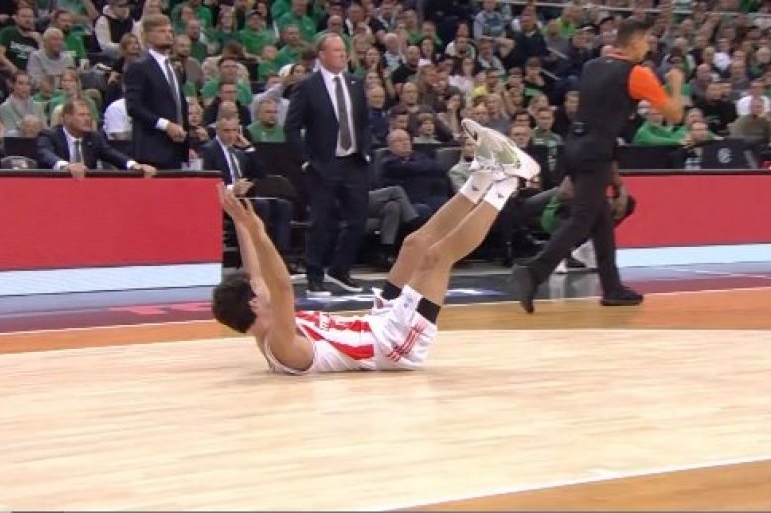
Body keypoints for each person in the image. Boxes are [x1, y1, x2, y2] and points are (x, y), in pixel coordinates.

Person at [211, 119, 538, 375]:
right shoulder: (280, 344)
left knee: (413, 245)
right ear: (254, 304)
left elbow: (257, 273)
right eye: (257, 289)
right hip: (395, 345)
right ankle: (511, 180)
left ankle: (483, 177)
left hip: (378, 322)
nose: (261, 284)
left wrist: (242, 222)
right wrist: (259, 232)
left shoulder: (264, 322)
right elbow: (282, 287)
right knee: (436, 257)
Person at [510, 17, 685, 313]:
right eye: (646, 41)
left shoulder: (592, 66)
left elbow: (594, 114)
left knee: (601, 218)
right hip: (596, 152)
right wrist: (676, 86)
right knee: (583, 219)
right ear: (634, 42)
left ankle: (612, 287)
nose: (648, 48)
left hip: (575, 145)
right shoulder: (637, 73)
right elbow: (675, 115)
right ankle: (534, 271)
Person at [284, 31, 371, 296]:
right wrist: (306, 161)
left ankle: (340, 270)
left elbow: (363, 122)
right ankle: (314, 275)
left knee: (358, 220)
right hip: (323, 163)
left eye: (344, 50)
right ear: (322, 55)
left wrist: (366, 151)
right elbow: (291, 127)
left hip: (354, 161)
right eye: (336, 50)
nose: (343, 54)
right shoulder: (307, 86)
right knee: (320, 222)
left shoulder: (355, 83)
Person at [201, 114, 294, 258]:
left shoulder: (240, 151)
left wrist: (249, 148)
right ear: (217, 131)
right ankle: (257, 254)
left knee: (283, 206)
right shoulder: (209, 150)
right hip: (224, 199)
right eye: (226, 131)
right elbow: (207, 182)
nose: (231, 135)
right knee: (261, 206)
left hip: (245, 198)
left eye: (234, 130)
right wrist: (233, 188)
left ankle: (280, 255)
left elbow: (260, 174)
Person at [124, 13, 189, 170]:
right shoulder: (139, 66)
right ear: (147, 36)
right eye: (161, 31)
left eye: (170, 31)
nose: (168, 35)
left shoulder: (174, 67)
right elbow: (134, 107)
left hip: (176, 148)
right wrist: (166, 125)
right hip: (151, 150)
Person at [37, 98, 157, 179]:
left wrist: (134, 165)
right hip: (54, 188)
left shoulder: (94, 137)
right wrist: (66, 166)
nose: (87, 119)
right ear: (67, 118)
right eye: (81, 115)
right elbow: (45, 154)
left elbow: (112, 154)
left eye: (89, 115)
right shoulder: (50, 135)